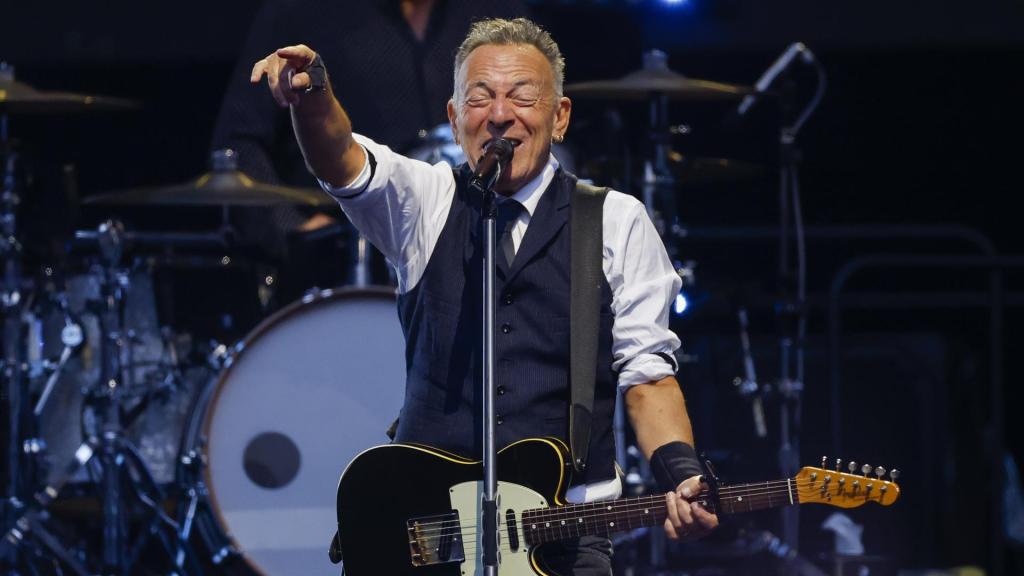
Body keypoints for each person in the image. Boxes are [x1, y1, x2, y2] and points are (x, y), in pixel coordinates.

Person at [252, 17, 718, 574]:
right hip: (428, 533)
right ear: (454, 117)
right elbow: (343, 160)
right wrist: (313, 97)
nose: (500, 114)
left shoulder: (615, 220)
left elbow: (648, 377)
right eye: (480, 98)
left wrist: (682, 473)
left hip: (565, 536)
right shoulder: (426, 200)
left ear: (560, 117)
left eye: (522, 96)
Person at [211, 0, 530, 295]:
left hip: (477, 261)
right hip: (341, 273)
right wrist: (293, 227)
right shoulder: (302, 11)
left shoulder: (499, 11)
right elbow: (238, 144)